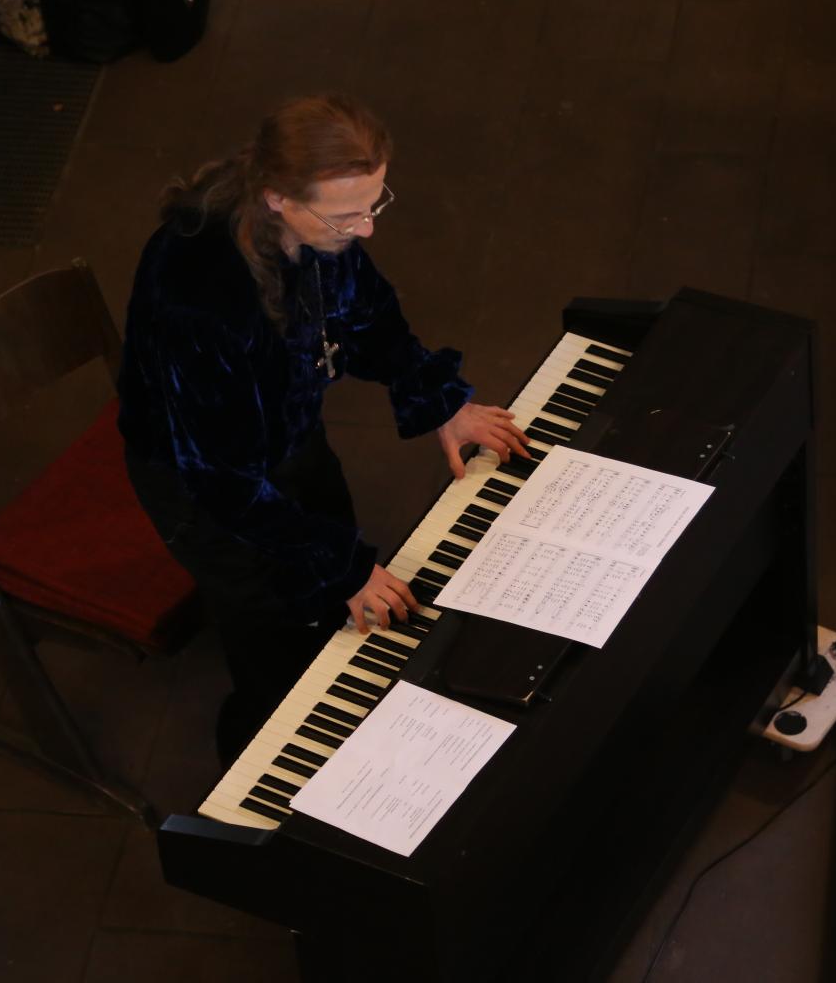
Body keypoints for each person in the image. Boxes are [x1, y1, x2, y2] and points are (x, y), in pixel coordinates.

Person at [118, 93, 529, 763]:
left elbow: (365, 313)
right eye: (347, 215)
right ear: (278, 196)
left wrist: (437, 398)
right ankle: (264, 745)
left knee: (331, 575)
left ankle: (328, 676)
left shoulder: (318, 229)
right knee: (271, 630)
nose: (365, 229)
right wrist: (341, 566)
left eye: (374, 204)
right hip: (203, 486)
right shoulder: (198, 296)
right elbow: (223, 482)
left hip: (285, 434)